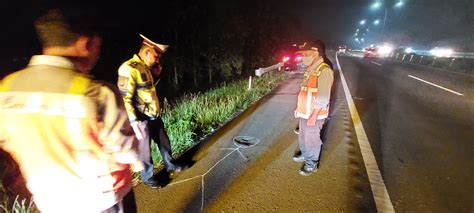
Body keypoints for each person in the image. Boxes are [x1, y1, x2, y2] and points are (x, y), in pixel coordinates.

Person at [0, 6, 143, 213]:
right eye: (98, 46)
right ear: (86, 44)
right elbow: (126, 151)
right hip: (102, 200)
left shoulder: (6, 90)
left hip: (51, 202)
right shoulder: (95, 94)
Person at [117, 34, 182, 188]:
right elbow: (125, 98)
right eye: (156, 55)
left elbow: (147, 90)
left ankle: (171, 165)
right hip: (141, 118)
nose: (158, 58)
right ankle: (148, 177)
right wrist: (134, 122)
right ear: (147, 52)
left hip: (153, 115)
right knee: (144, 150)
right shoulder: (128, 68)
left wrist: (156, 75)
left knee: (163, 142)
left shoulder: (145, 68)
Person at [293, 40, 334, 176]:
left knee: (311, 140)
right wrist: (299, 109)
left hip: (314, 115)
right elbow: (305, 91)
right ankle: (306, 155)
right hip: (305, 112)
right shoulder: (311, 68)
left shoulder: (324, 70)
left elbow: (323, 97)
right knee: (303, 138)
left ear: (316, 52)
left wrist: (314, 115)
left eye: (306, 53)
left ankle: (312, 164)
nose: (304, 56)